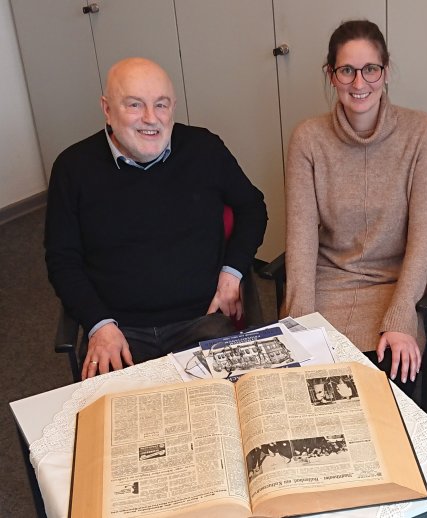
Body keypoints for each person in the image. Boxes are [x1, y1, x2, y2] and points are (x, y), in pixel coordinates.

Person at [45, 57, 268, 380]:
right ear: (107, 109)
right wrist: (99, 325)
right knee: (115, 425)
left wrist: (232, 272)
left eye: (161, 105)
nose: (151, 119)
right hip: (120, 331)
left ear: (174, 106)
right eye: (135, 105)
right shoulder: (72, 168)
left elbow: (252, 207)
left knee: (239, 412)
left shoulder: (204, 149)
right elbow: (63, 260)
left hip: (202, 320)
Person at [284, 20, 427, 394]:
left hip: (394, 285)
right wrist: (299, 321)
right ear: (331, 75)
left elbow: (424, 238)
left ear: (386, 72)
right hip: (328, 284)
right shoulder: (308, 139)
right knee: (304, 395)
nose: (359, 84)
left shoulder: (423, 132)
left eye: (370, 69)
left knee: (382, 396)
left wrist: (402, 316)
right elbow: (302, 237)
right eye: (347, 71)